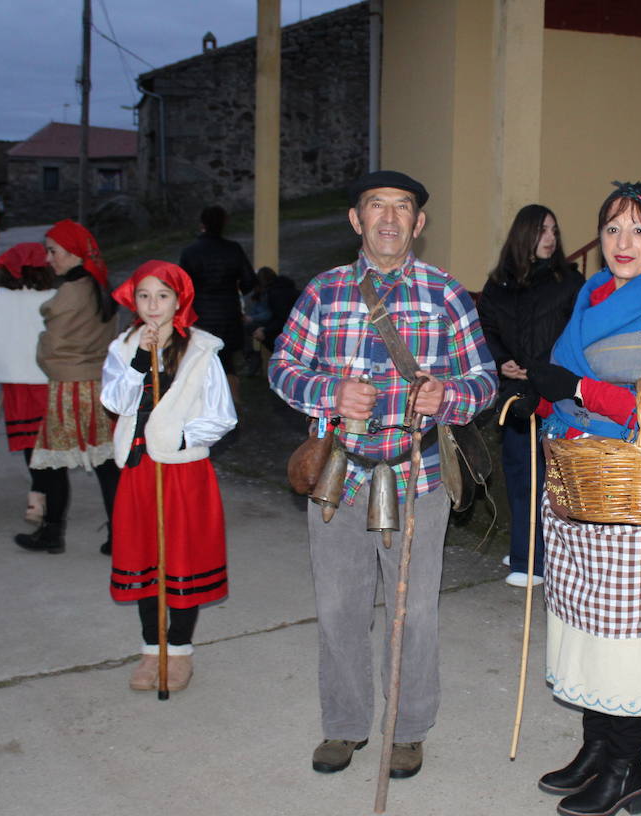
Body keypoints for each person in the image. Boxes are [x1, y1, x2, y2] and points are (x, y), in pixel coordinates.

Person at [268, 169, 496, 779]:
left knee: (413, 612)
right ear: (356, 219)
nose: (390, 218)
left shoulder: (448, 294)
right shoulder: (322, 293)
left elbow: (484, 381)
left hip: (417, 475)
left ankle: (409, 728)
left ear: (419, 223)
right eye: (376, 206)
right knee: (339, 606)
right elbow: (281, 367)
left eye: (402, 208)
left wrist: (446, 397)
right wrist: (329, 390)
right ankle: (344, 726)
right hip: (338, 479)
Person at [514, 182, 641, 816]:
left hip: (635, 499)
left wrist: (578, 389)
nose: (622, 244)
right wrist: (541, 398)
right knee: (590, 626)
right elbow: (570, 390)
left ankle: (627, 767)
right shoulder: (592, 297)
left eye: (638, 231)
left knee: (629, 637)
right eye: (613, 229)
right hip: (583, 487)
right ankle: (597, 748)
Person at [103, 261, 236, 692]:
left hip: (182, 472)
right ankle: (150, 647)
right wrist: (141, 358)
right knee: (144, 558)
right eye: (143, 296)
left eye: (162, 296)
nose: (152, 305)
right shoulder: (123, 346)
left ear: (179, 300)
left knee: (181, 558)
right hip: (140, 471)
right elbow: (116, 400)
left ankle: (178, 651)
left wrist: (181, 436)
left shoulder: (201, 350)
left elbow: (221, 415)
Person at [477, 204, 582, 588]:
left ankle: (534, 560)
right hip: (514, 392)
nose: (550, 239)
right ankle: (525, 548)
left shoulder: (568, 281)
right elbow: (486, 327)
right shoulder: (498, 285)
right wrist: (502, 360)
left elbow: (574, 336)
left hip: (552, 393)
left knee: (547, 477)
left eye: (554, 230)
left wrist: (540, 370)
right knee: (520, 472)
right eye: (542, 231)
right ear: (524, 236)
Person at [17, 220, 119, 555]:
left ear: (73, 253)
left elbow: (50, 350)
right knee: (106, 466)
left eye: (53, 251)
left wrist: (48, 357)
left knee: (52, 463)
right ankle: (121, 534)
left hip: (69, 389)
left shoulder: (69, 294)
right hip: (98, 386)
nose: (48, 259)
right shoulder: (97, 286)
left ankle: (51, 533)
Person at [0, 242, 57, 525]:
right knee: (51, 440)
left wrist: (4, 354)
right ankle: (47, 494)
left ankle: (38, 495)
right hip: (50, 377)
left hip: (16, 379)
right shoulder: (55, 296)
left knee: (29, 440)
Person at [179, 205, 256, 396]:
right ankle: (232, 404)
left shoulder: (190, 252)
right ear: (224, 223)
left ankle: (203, 407)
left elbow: (182, 288)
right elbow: (250, 280)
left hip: (200, 317)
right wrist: (234, 291)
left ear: (202, 224)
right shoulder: (233, 249)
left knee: (200, 363)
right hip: (229, 314)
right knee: (228, 364)